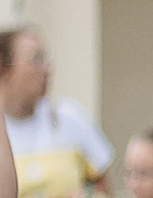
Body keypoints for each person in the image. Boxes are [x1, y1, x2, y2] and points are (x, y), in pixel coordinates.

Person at [0, 26, 113, 182]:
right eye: (36, 59)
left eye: (46, 58)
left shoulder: (67, 117)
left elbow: (102, 185)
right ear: (3, 68)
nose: (47, 68)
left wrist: (85, 196)